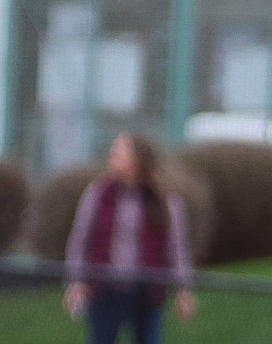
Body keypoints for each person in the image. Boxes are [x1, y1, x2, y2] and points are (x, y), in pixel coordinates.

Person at [65, 132, 196, 344]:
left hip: (146, 293)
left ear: (137, 161)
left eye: (119, 153)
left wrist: (184, 289)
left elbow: (177, 248)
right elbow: (80, 241)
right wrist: (76, 281)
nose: (112, 157)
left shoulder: (164, 201)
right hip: (105, 290)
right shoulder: (99, 194)